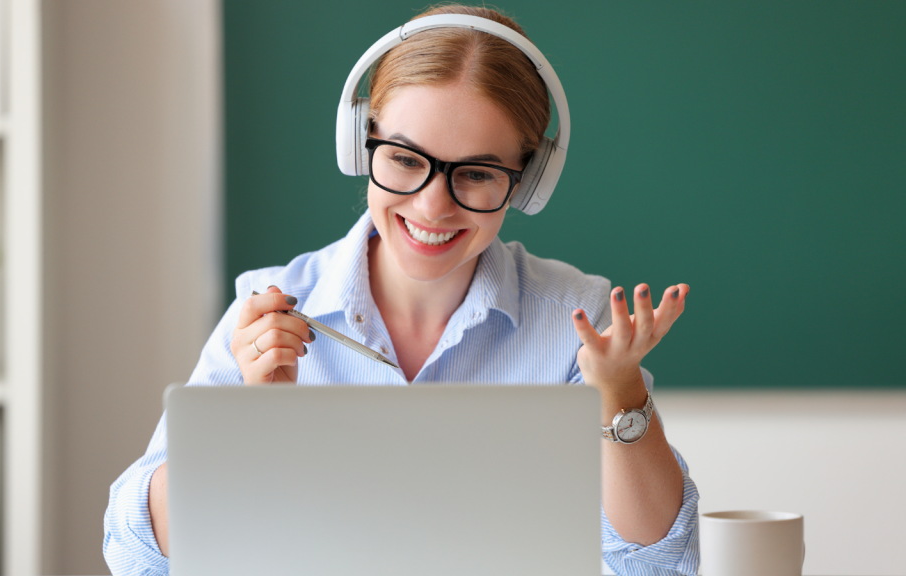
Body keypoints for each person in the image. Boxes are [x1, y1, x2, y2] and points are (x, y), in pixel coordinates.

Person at [104, 5, 699, 575]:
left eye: (477, 173)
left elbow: (659, 564)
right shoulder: (268, 309)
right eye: (406, 159)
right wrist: (242, 426)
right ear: (359, 142)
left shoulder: (576, 320)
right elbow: (136, 558)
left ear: (527, 181)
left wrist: (620, 395)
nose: (432, 206)